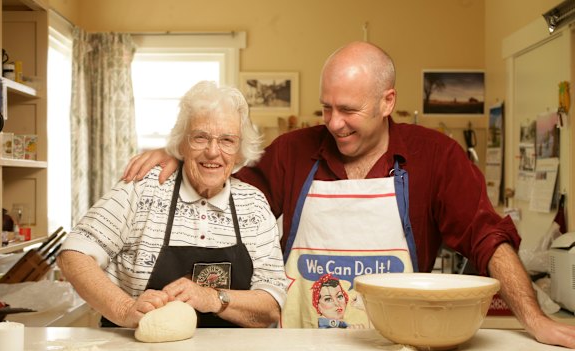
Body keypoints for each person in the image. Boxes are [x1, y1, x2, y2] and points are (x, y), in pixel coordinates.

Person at [121, 42, 575, 347]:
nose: (334, 123)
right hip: (298, 339)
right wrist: (187, 151)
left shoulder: (435, 156)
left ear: (387, 101)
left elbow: (487, 237)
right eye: (327, 107)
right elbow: (226, 192)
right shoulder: (293, 151)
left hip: (396, 340)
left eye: (349, 110)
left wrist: (533, 319)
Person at [58, 80, 288, 329]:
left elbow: (271, 305)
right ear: (181, 143)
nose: (213, 152)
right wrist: (125, 309)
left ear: (240, 150)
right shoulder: (143, 187)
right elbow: (74, 255)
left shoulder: (253, 204)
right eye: (200, 137)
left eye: (226, 140)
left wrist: (213, 298)